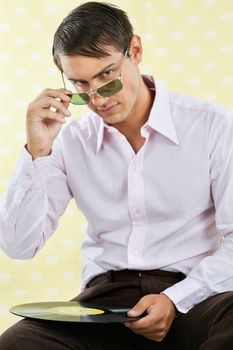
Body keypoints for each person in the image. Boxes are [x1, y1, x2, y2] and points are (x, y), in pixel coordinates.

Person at [0, 1, 232, 349]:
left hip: (197, 296)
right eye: (80, 85)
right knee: (20, 342)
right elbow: (19, 245)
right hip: (104, 303)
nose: (97, 99)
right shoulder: (70, 142)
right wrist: (38, 153)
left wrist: (176, 298)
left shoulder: (212, 126)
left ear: (134, 51)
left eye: (107, 77)